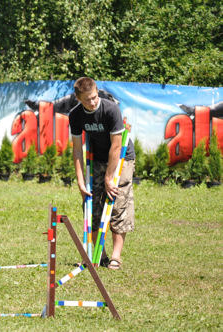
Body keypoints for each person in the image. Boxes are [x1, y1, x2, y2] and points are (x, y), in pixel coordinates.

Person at [69, 77, 135, 270]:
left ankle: (116, 256)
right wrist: (81, 183)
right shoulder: (75, 115)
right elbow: (76, 150)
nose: (93, 102)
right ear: (79, 98)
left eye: (95, 97)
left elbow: (116, 146)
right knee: (92, 203)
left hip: (121, 157)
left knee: (117, 199)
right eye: (88, 99)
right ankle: (100, 254)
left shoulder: (110, 109)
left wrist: (108, 178)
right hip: (96, 158)